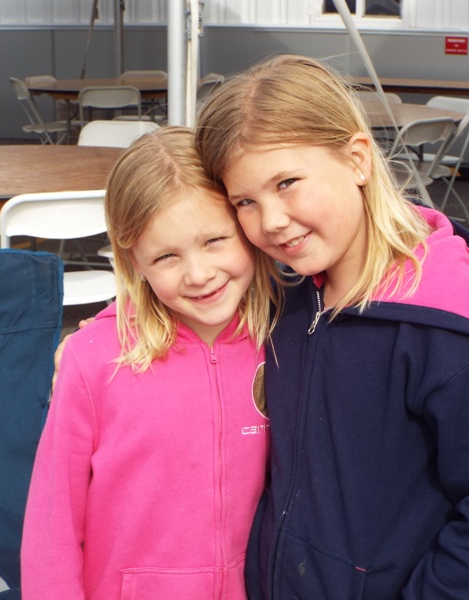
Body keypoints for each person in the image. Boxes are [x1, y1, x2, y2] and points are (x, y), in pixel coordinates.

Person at [194, 54, 469, 599]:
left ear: (358, 159)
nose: (271, 221)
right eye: (245, 201)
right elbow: (173, 276)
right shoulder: (285, 295)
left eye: (287, 183)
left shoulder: (449, 334)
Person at [21, 126, 284, 600]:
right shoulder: (94, 360)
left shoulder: (288, 337)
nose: (199, 274)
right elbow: (51, 526)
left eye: (215, 240)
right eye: (166, 256)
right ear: (134, 262)